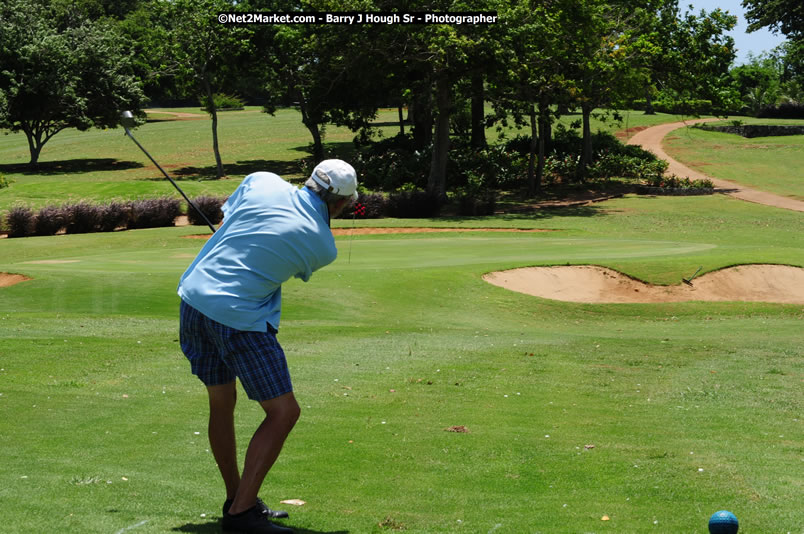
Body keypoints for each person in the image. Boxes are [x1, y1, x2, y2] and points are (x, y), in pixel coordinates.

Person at [177, 160, 358, 534]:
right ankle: (242, 515)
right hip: (237, 318)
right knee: (283, 412)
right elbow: (284, 264)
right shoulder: (323, 246)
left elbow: (229, 218)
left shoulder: (262, 181)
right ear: (340, 204)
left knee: (221, 402)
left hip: (193, 299)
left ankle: (237, 499)